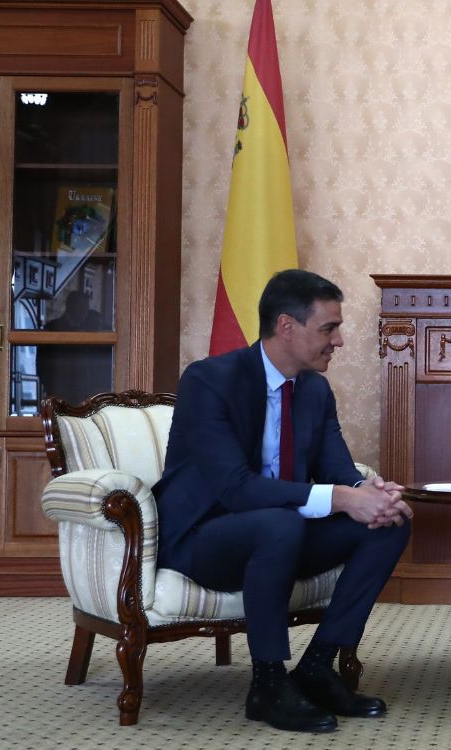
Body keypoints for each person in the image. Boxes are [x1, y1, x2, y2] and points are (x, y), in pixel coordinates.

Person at [153, 269, 413, 733]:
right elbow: (235, 488)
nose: (339, 341)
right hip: (205, 540)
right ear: (286, 327)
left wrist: (371, 496)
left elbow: (338, 470)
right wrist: (339, 497)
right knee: (279, 523)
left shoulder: (314, 389)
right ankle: (268, 685)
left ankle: (318, 665)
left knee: (388, 524)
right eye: (329, 328)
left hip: (281, 538)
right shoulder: (209, 381)